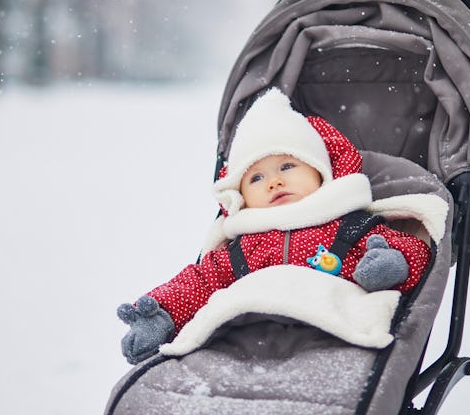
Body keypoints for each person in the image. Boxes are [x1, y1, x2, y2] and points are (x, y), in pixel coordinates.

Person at [117, 88, 431, 365]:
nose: (275, 181)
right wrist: (162, 313)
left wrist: (393, 265)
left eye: (287, 166)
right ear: (241, 194)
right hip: (245, 345)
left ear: (320, 173)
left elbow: (412, 247)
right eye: (256, 177)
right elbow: (199, 283)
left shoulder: (349, 227)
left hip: (334, 337)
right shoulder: (241, 249)